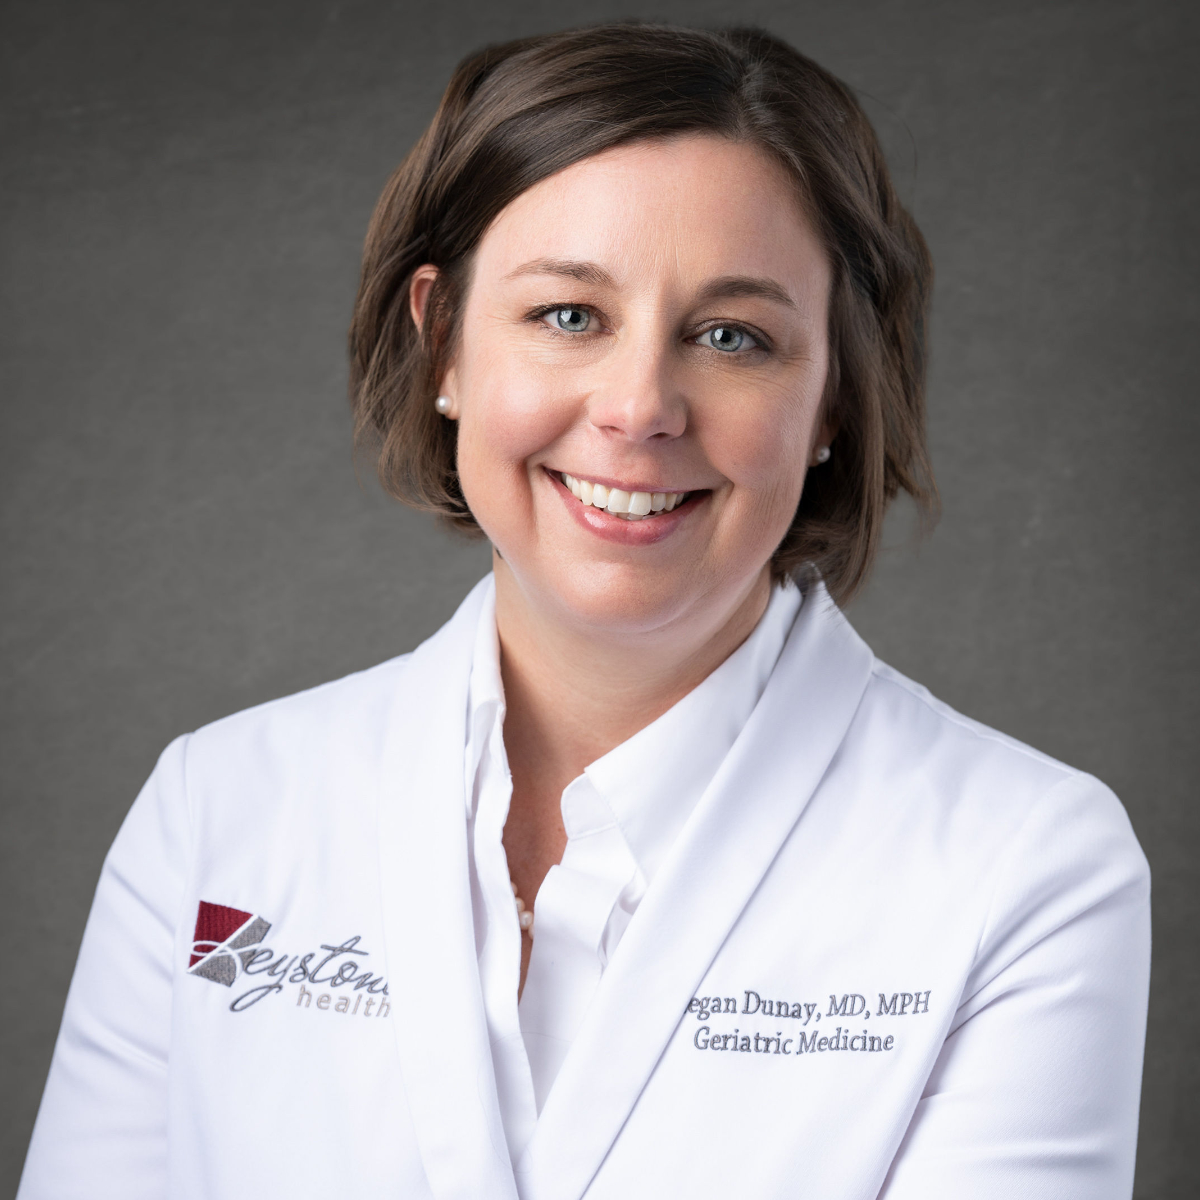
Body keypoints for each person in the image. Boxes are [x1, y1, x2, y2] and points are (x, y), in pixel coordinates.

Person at [18, 22, 1149, 1200]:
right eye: (568, 315)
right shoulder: (216, 812)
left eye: (732, 336)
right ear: (443, 344)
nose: (639, 405)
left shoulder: (1030, 868)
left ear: (832, 401)